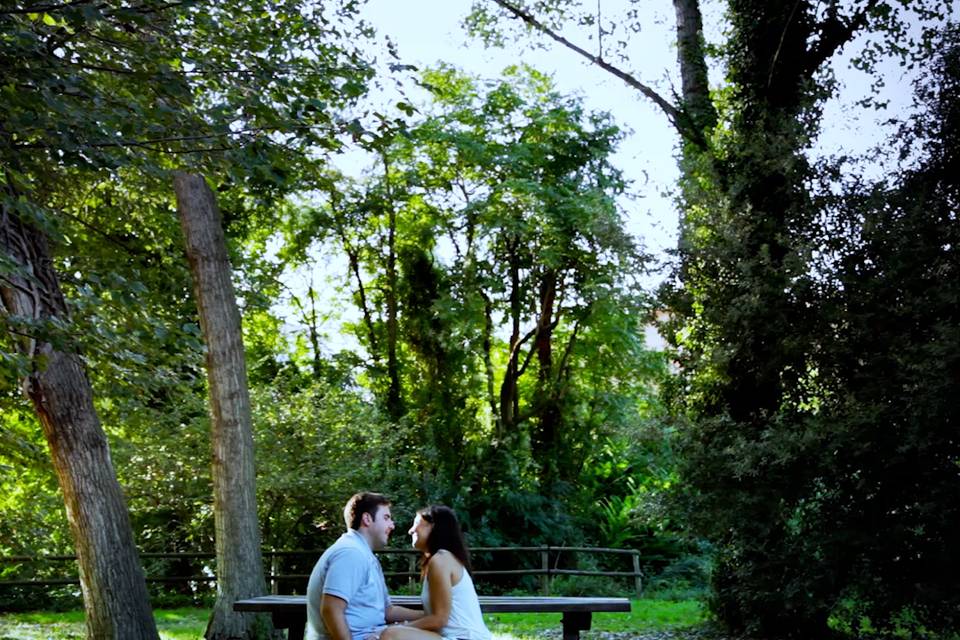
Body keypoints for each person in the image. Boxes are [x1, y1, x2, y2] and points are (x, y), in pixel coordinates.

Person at [306, 493, 423, 640]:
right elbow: (331, 609)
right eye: (386, 518)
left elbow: (387, 611)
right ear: (367, 519)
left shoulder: (363, 553)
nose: (392, 525)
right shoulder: (350, 553)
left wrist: (430, 616)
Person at [380, 505, 491, 640]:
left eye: (416, 524)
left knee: (391, 635)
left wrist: (399, 628)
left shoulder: (441, 559)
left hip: (465, 637)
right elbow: (433, 615)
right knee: (391, 632)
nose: (410, 531)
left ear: (433, 526)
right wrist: (397, 623)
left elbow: (439, 619)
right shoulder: (441, 559)